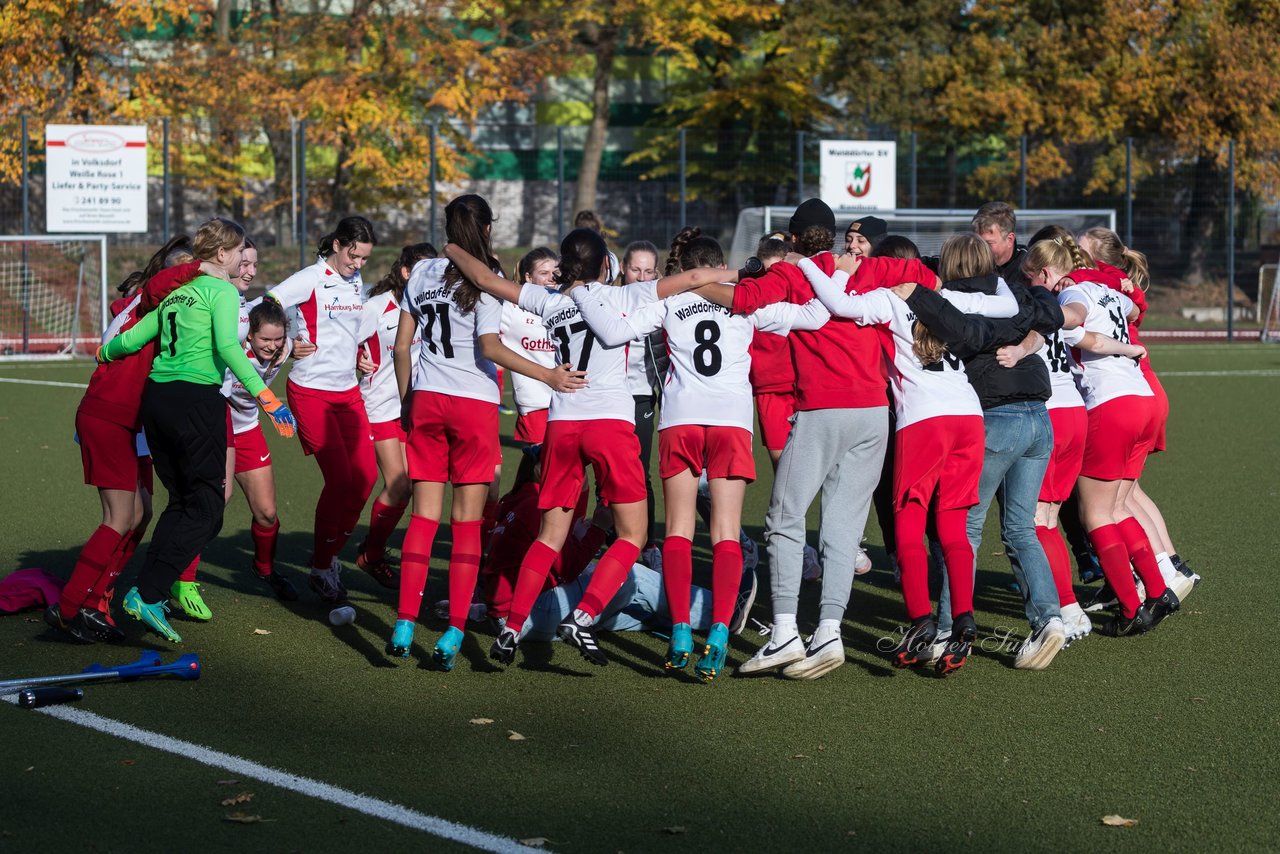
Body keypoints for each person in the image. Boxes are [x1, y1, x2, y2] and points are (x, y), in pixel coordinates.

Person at [444, 225, 726, 667]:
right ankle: (584, 613)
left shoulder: (549, 301)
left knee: (549, 535)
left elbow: (484, 280)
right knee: (632, 533)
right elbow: (692, 279)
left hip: (562, 423)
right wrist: (752, 273)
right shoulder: (621, 297)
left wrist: (451, 244)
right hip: (610, 424)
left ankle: (514, 626)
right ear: (605, 265)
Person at [691, 199, 939, 679]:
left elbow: (742, 301)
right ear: (837, 234)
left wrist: (693, 282)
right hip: (874, 413)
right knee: (843, 530)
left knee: (784, 518)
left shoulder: (794, 272)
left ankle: (785, 632)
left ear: (795, 238)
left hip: (824, 408)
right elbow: (929, 279)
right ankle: (829, 630)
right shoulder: (875, 266)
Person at [576, 228, 828, 680]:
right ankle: (716, 635)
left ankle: (677, 632)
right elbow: (814, 316)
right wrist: (806, 269)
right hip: (730, 421)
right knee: (726, 534)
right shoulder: (745, 300)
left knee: (677, 531)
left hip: (680, 420)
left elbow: (615, 332)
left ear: (685, 267)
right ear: (719, 263)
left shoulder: (670, 300)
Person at [799, 233, 1019, 675]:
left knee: (908, 522)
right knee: (954, 528)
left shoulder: (886, 298)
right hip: (968, 417)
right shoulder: (949, 294)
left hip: (924, 420)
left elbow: (839, 305)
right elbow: (1007, 305)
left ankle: (920, 621)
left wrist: (809, 266)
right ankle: (963, 620)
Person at [389, 195, 588, 671]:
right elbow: (489, 346)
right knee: (465, 525)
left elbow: (401, 348)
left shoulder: (420, 272)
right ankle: (455, 631)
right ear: (488, 228)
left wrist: (406, 402)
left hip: (428, 399)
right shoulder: (485, 278)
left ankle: (403, 622)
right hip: (473, 406)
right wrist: (547, 377)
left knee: (422, 517)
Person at [96, 217, 297, 643]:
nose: (245, 258)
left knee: (184, 501)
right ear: (222, 255)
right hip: (195, 401)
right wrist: (269, 399)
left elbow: (131, 340)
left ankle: (146, 591)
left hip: (157, 402)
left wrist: (105, 350)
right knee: (208, 506)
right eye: (241, 250)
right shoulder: (221, 290)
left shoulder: (176, 293)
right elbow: (227, 346)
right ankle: (148, 593)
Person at [899, 233, 1070, 671]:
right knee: (1020, 529)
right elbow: (1046, 313)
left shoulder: (951, 300)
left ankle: (945, 629)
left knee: (964, 530)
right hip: (1039, 417)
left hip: (995, 418)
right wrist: (1025, 342)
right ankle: (1049, 619)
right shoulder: (1010, 295)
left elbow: (955, 328)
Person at [46, 238, 201, 643]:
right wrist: (205, 269)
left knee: (139, 514)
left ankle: (95, 601)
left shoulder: (154, 300)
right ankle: (69, 608)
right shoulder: (154, 297)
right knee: (119, 518)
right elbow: (159, 289)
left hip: (128, 421)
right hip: (110, 416)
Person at [447, 446, 757, 645]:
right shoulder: (537, 506)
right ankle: (723, 611)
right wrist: (599, 528)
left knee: (624, 606)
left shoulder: (513, 500)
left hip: (502, 616)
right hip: (532, 615)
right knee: (630, 576)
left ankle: (672, 617)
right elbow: (567, 569)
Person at [1028, 236, 1178, 635]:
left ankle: (1130, 608)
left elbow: (1078, 325)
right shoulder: (1104, 288)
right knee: (1116, 508)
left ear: (1047, 273)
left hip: (1110, 403)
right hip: (1141, 397)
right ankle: (1159, 590)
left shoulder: (1071, 294)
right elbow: (1131, 308)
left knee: (1093, 513)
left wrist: (1072, 321)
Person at [1077, 227, 1198, 596]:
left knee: (1115, 502)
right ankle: (1170, 566)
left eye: (1078, 250)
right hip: (1143, 392)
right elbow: (1135, 304)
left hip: (1127, 394)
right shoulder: (1116, 285)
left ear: (1095, 260)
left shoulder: (1092, 284)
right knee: (1127, 495)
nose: (1072, 254)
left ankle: (1158, 575)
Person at [266, 216, 378, 603]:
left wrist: (361, 354)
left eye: (364, 258)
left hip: (348, 392)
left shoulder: (355, 281)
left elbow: (350, 329)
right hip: (311, 391)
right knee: (342, 481)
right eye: (354, 255)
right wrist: (289, 339)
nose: (358, 264)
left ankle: (327, 557)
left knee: (366, 478)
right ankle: (322, 566)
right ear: (337, 245)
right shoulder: (311, 277)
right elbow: (271, 302)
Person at [352, 242, 437, 588]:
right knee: (399, 484)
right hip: (380, 405)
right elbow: (345, 339)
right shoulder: (377, 306)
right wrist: (357, 355)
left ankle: (372, 549)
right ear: (404, 272)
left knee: (412, 485)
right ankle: (369, 555)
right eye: (420, 270)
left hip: (412, 408)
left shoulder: (430, 307)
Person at [219, 298, 299, 601]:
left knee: (266, 513)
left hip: (248, 430)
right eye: (265, 339)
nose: (272, 345)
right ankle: (182, 573)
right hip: (216, 431)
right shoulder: (231, 348)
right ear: (248, 334)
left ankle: (264, 569)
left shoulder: (286, 347)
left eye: (278, 339)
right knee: (211, 508)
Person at [620, 240, 667, 570]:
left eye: (648, 271)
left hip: (640, 397)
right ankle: (610, 540)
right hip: (607, 399)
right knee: (607, 476)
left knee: (640, 472)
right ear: (623, 269)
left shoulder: (660, 305)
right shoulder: (608, 300)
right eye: (635, 269)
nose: (641, 276)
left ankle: (647, 543)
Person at [500, 248, 560, 446]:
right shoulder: (511, 309)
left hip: (568, 400)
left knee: (551, 467)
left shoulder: (566, 302)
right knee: (548, 466)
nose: (551, 278)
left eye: (555, 273)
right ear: (528, 277)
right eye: (543, 273)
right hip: (536, 403)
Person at [972, 202, 1030, 287]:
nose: (979, 249)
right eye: (976, 242)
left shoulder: (1028, 268)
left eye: (988, 243)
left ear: (1009, 240)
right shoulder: (967, 261)